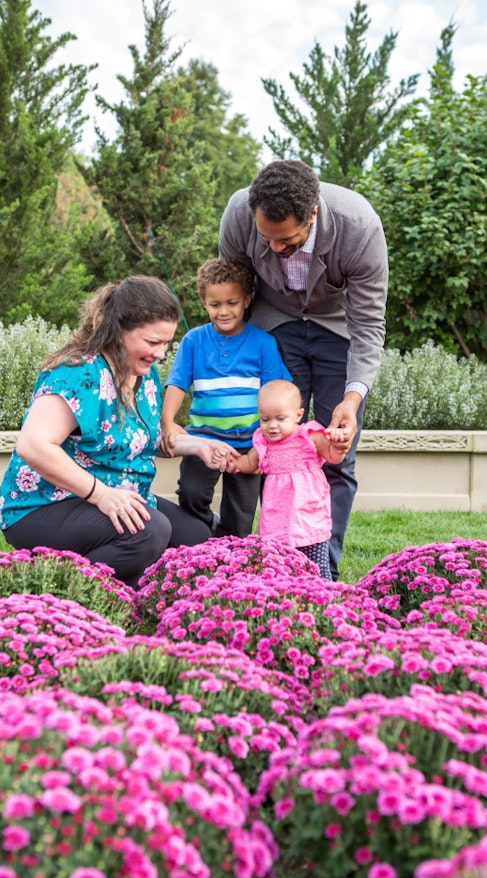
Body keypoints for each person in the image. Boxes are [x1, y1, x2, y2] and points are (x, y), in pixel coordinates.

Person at [0, 276, 233, 588]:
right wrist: (102, 495)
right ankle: (48, 589)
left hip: (119, 491)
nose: (161, 353)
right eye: (153, 343)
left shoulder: (143, 376)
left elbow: (139, 440)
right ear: (118, 330)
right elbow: (34, 445)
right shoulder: (78, 374)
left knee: (194, 537)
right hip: (45, 503)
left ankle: (138, 590)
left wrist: (198, 446)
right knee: (149, 533)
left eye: (166, 343)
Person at [219, 159, 388, 579]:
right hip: (274, 326)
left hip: (337, 331)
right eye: (267, 239)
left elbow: (368, 326)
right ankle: (249, 562)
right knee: (265, 443)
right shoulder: (239, 214)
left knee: (335, 456)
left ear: (312, 214)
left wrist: (352, 400)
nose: (276, 248)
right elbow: (232, 291)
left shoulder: (358, 226)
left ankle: (319, 575)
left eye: (289, 241)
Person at [160, 257, 290, 537]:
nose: (224, 311)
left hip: (249, 444)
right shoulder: (193, 341)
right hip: (203, 439)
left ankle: (231, 552)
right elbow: (178, 383)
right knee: (191, 496)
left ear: (246, 300)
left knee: (241, 515)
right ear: (204, 303)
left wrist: (264, 445)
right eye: (215, 305)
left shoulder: (264, 343)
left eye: (232, 303)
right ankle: (206, 534)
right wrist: (168, 422)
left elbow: (277, 392)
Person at [226, 379, 346, 580]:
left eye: (280, 419)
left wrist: (339, 447)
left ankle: (324, 599)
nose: (272, 426)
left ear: (298, 415)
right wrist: (235, 464)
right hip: (277, 518)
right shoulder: (263, 442)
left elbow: (333, 457)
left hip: (309, 516)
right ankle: (283, 597)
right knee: (278, 566)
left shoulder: (309, 436)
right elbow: (250, 463)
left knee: (316, 567)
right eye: (265, 420)